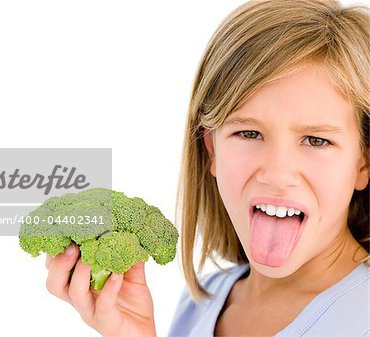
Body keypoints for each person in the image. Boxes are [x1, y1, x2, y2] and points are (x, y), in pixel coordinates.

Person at [44, 0, 370, 336]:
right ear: (211, 148)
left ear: (364, 162)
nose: (277, 173)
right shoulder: (201, 301)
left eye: (316, 140)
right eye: (248, 133)